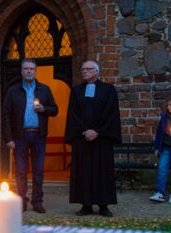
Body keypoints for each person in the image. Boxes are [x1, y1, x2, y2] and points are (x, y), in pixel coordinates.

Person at [64, 60, 121, 217]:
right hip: (82, 139)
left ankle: (103, 205)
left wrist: (97, 131)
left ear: (96, 71)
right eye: (83, 69)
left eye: (88, 69)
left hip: (102, 139)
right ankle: (86, 205)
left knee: (102, 171)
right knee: (83, 171)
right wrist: (84, 131)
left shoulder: (108, 90)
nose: (84, 72)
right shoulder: (76, 91)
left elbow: (111, 113)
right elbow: (73, 114)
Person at [3, 58, 58, 213]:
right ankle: (21, 201)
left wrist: (44, 109)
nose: (29, 71)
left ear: (35, 71)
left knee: (38, 170)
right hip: (20, 136)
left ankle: (37, 201)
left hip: (38, 135)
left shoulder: (44, 89)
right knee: (20, 171)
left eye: (31, 69)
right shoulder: (13, 91)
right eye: (26, 69)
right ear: (21, 71)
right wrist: (8, 138)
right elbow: (6, 115)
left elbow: (55, 109)